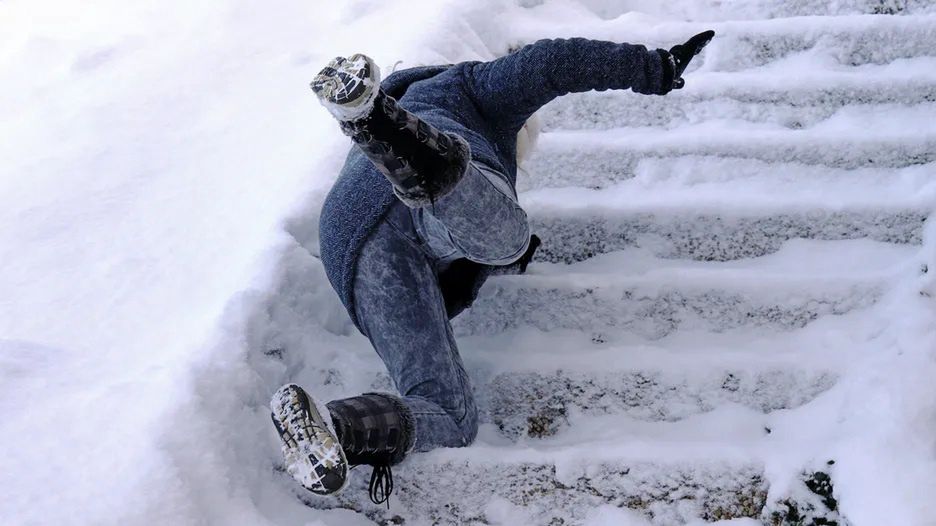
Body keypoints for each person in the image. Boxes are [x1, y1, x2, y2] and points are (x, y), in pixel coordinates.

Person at [270, 31, 716, 506]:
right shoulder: (467, 86)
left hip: (349, 239)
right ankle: (427, 160)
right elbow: (551, 63)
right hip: (415, 202)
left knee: (451, 415)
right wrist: (656, 67)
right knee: (505, 237)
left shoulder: (410, 126)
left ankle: (336, 428)